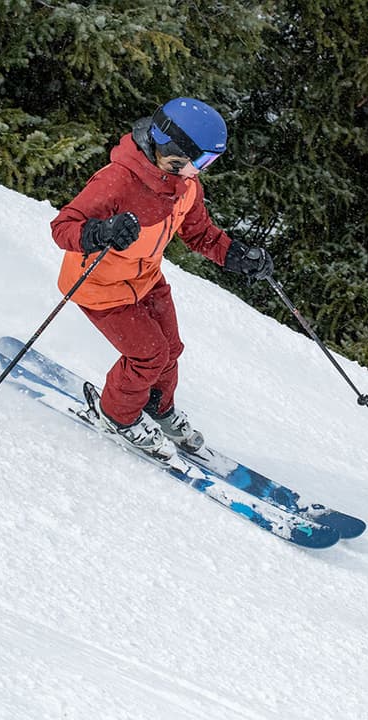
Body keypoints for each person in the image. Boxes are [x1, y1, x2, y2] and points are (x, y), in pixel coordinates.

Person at [50, 97, 273, 460]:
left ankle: (158, 407)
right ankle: (115, 415)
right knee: (149, 355)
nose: (200, 171)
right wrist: (101, 231)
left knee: (170, 349)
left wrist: (237, 256)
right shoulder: (117, 182)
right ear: (169, 149)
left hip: (146, 279)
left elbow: (200, 233)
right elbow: (63, 228)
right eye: (199, 161)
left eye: (209, 162)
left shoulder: (186, 186)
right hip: (100, 287)